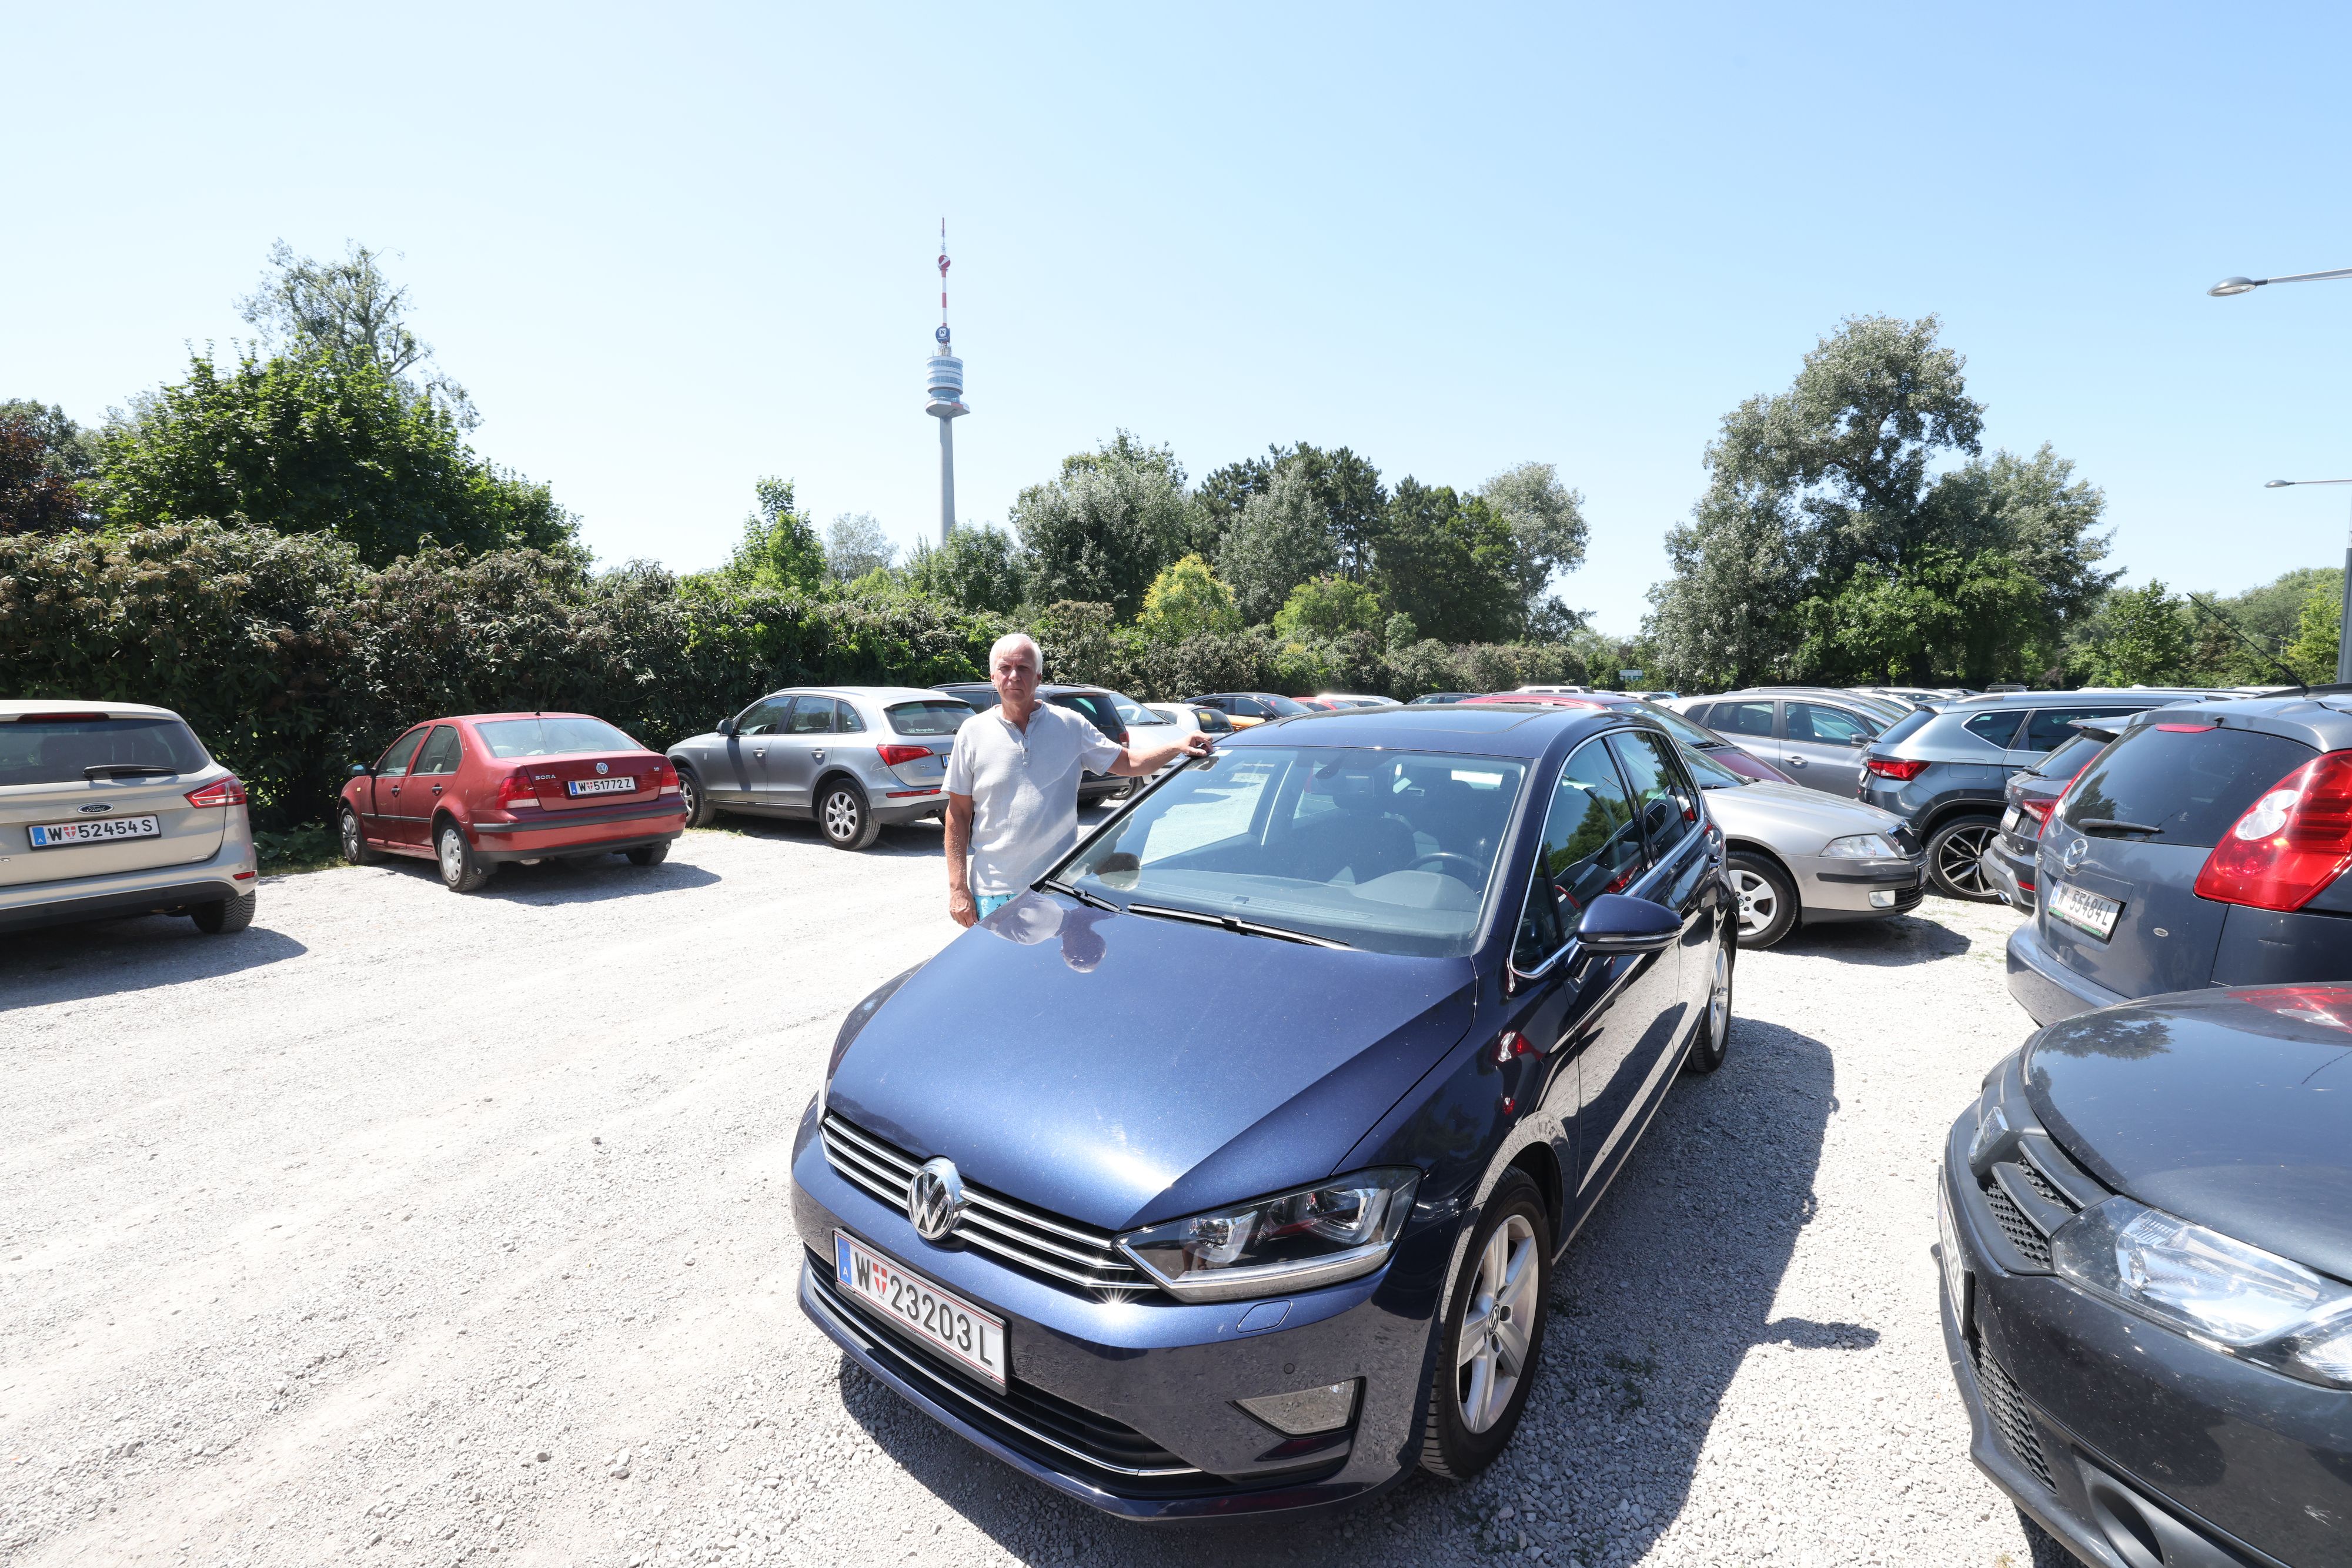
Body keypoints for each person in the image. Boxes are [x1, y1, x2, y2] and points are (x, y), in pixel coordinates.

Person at [944, 633, 1214, 927]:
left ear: (1038, 676)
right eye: (1005, 668)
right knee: (998, 973)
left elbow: (1128, 762)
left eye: (1023, 668)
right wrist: (958, 888)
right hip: (993, 890)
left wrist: (1177, 745)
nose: (1013, 676)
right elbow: (958, 813)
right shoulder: (972, 732)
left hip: (1057, 886)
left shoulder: (1070, 725)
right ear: (993, 676)